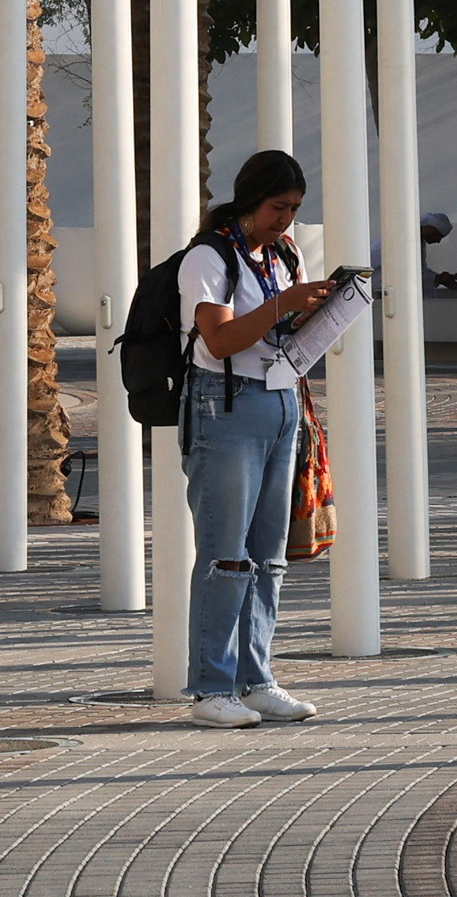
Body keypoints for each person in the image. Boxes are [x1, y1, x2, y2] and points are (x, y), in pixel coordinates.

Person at [182, 145, 351, 729]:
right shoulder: (210, 256)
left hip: (281, 400)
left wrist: (320, 309)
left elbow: (279, 330)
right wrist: (284, 304)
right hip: (224, 405)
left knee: (268, 557)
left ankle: (255, 679)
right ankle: (210, 687)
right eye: (278, 207)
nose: (286, 219)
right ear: (251, 200)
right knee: (226, 553)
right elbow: (220, 341)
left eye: (295, 209)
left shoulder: (283, 255)